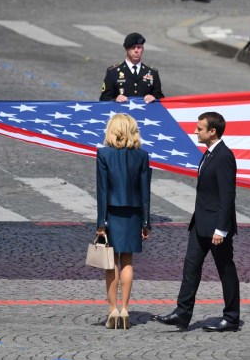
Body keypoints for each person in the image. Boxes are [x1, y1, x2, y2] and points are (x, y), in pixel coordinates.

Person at [152, 112, 241, 332]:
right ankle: (182, 313)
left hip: (216, 229)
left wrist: (221, 229)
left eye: (200, 128)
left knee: (225, 270)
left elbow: (227, 196)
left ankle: (231, 317)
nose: (195, 131)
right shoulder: (209, 154)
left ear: (213, 131)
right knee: (190, 268)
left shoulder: (224, 156)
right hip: (200, 224)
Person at [95, 113, 151, 330]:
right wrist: (146, 222)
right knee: (127, 262)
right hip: (134, 213)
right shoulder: (142, 155)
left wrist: (101, 222)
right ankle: (126, 309)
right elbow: (145, 191)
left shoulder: (104, 154)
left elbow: (102, 191)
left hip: (111, 213)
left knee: (111, 264)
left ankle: (112, 310)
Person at [99, 33, 164, 104]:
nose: (136, 50)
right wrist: (115, 99)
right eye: (133, 47)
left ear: (143, 49)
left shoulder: (152, 73)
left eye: (139, 47)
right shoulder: (113, 72)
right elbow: (104, 99)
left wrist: (153, 98)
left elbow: (161, 99)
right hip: (122, 113)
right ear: (127, 49)